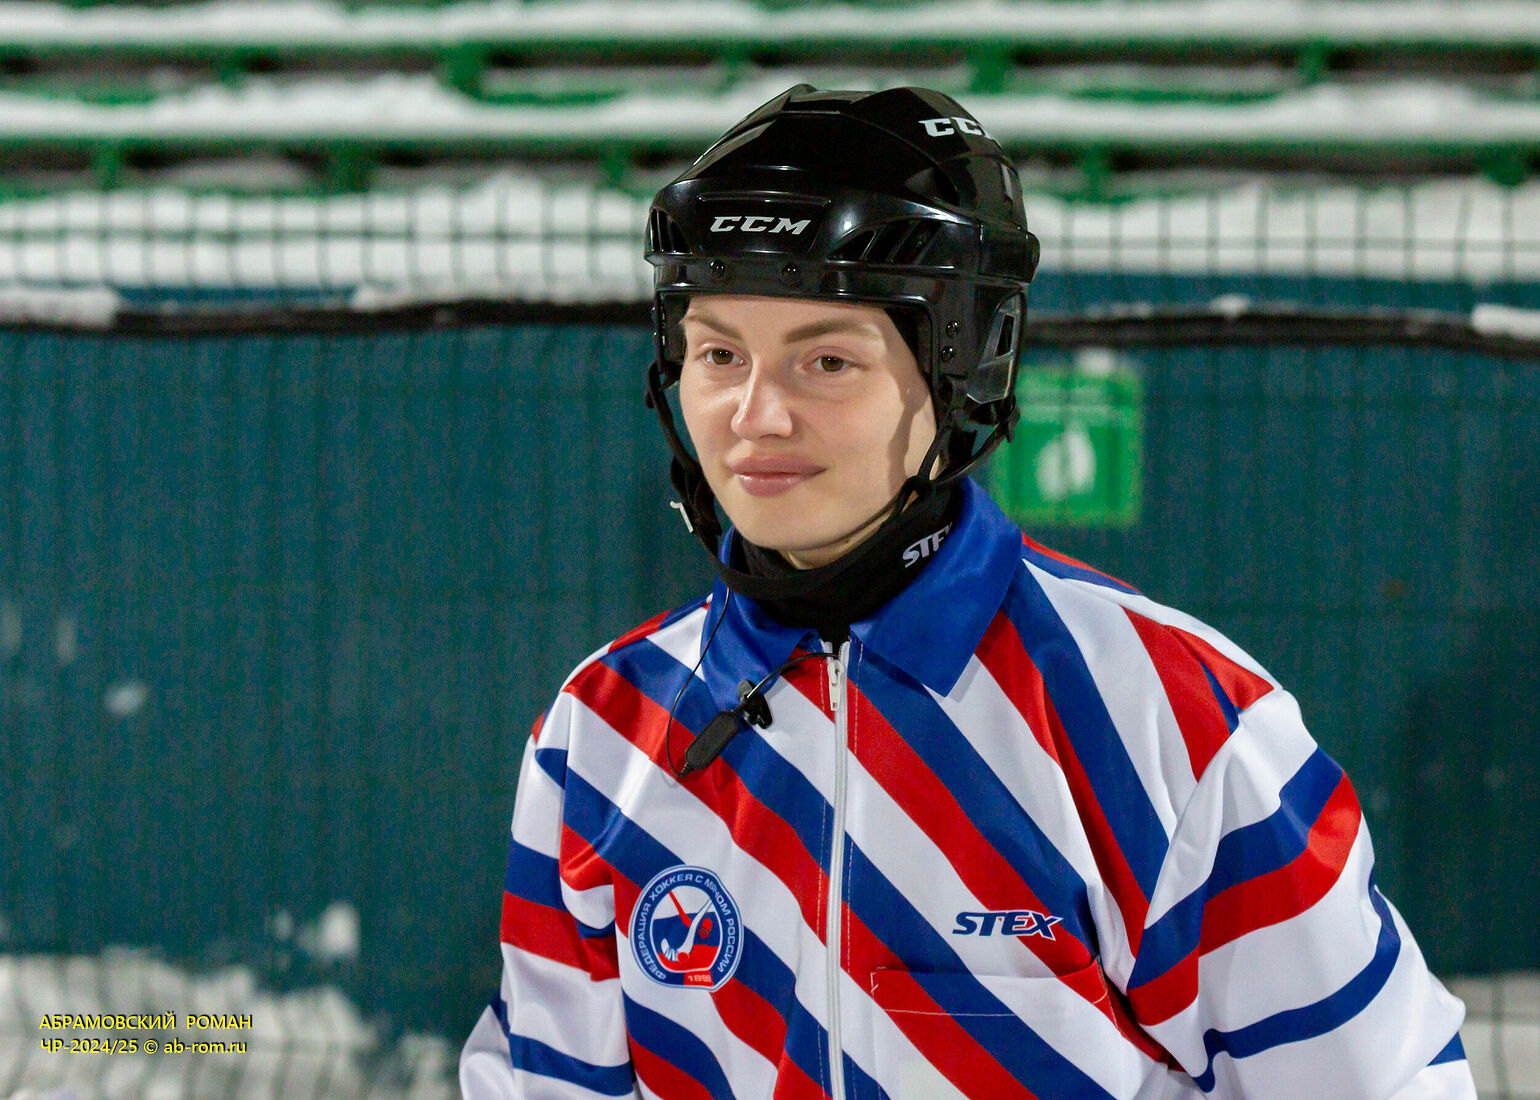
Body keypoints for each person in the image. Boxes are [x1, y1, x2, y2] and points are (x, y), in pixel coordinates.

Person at [460, 85, 1475, 1099]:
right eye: (719, 353)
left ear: (965, 370)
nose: (755, 414)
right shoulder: (600, 732)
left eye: (827, 359)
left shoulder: (1174, 719)